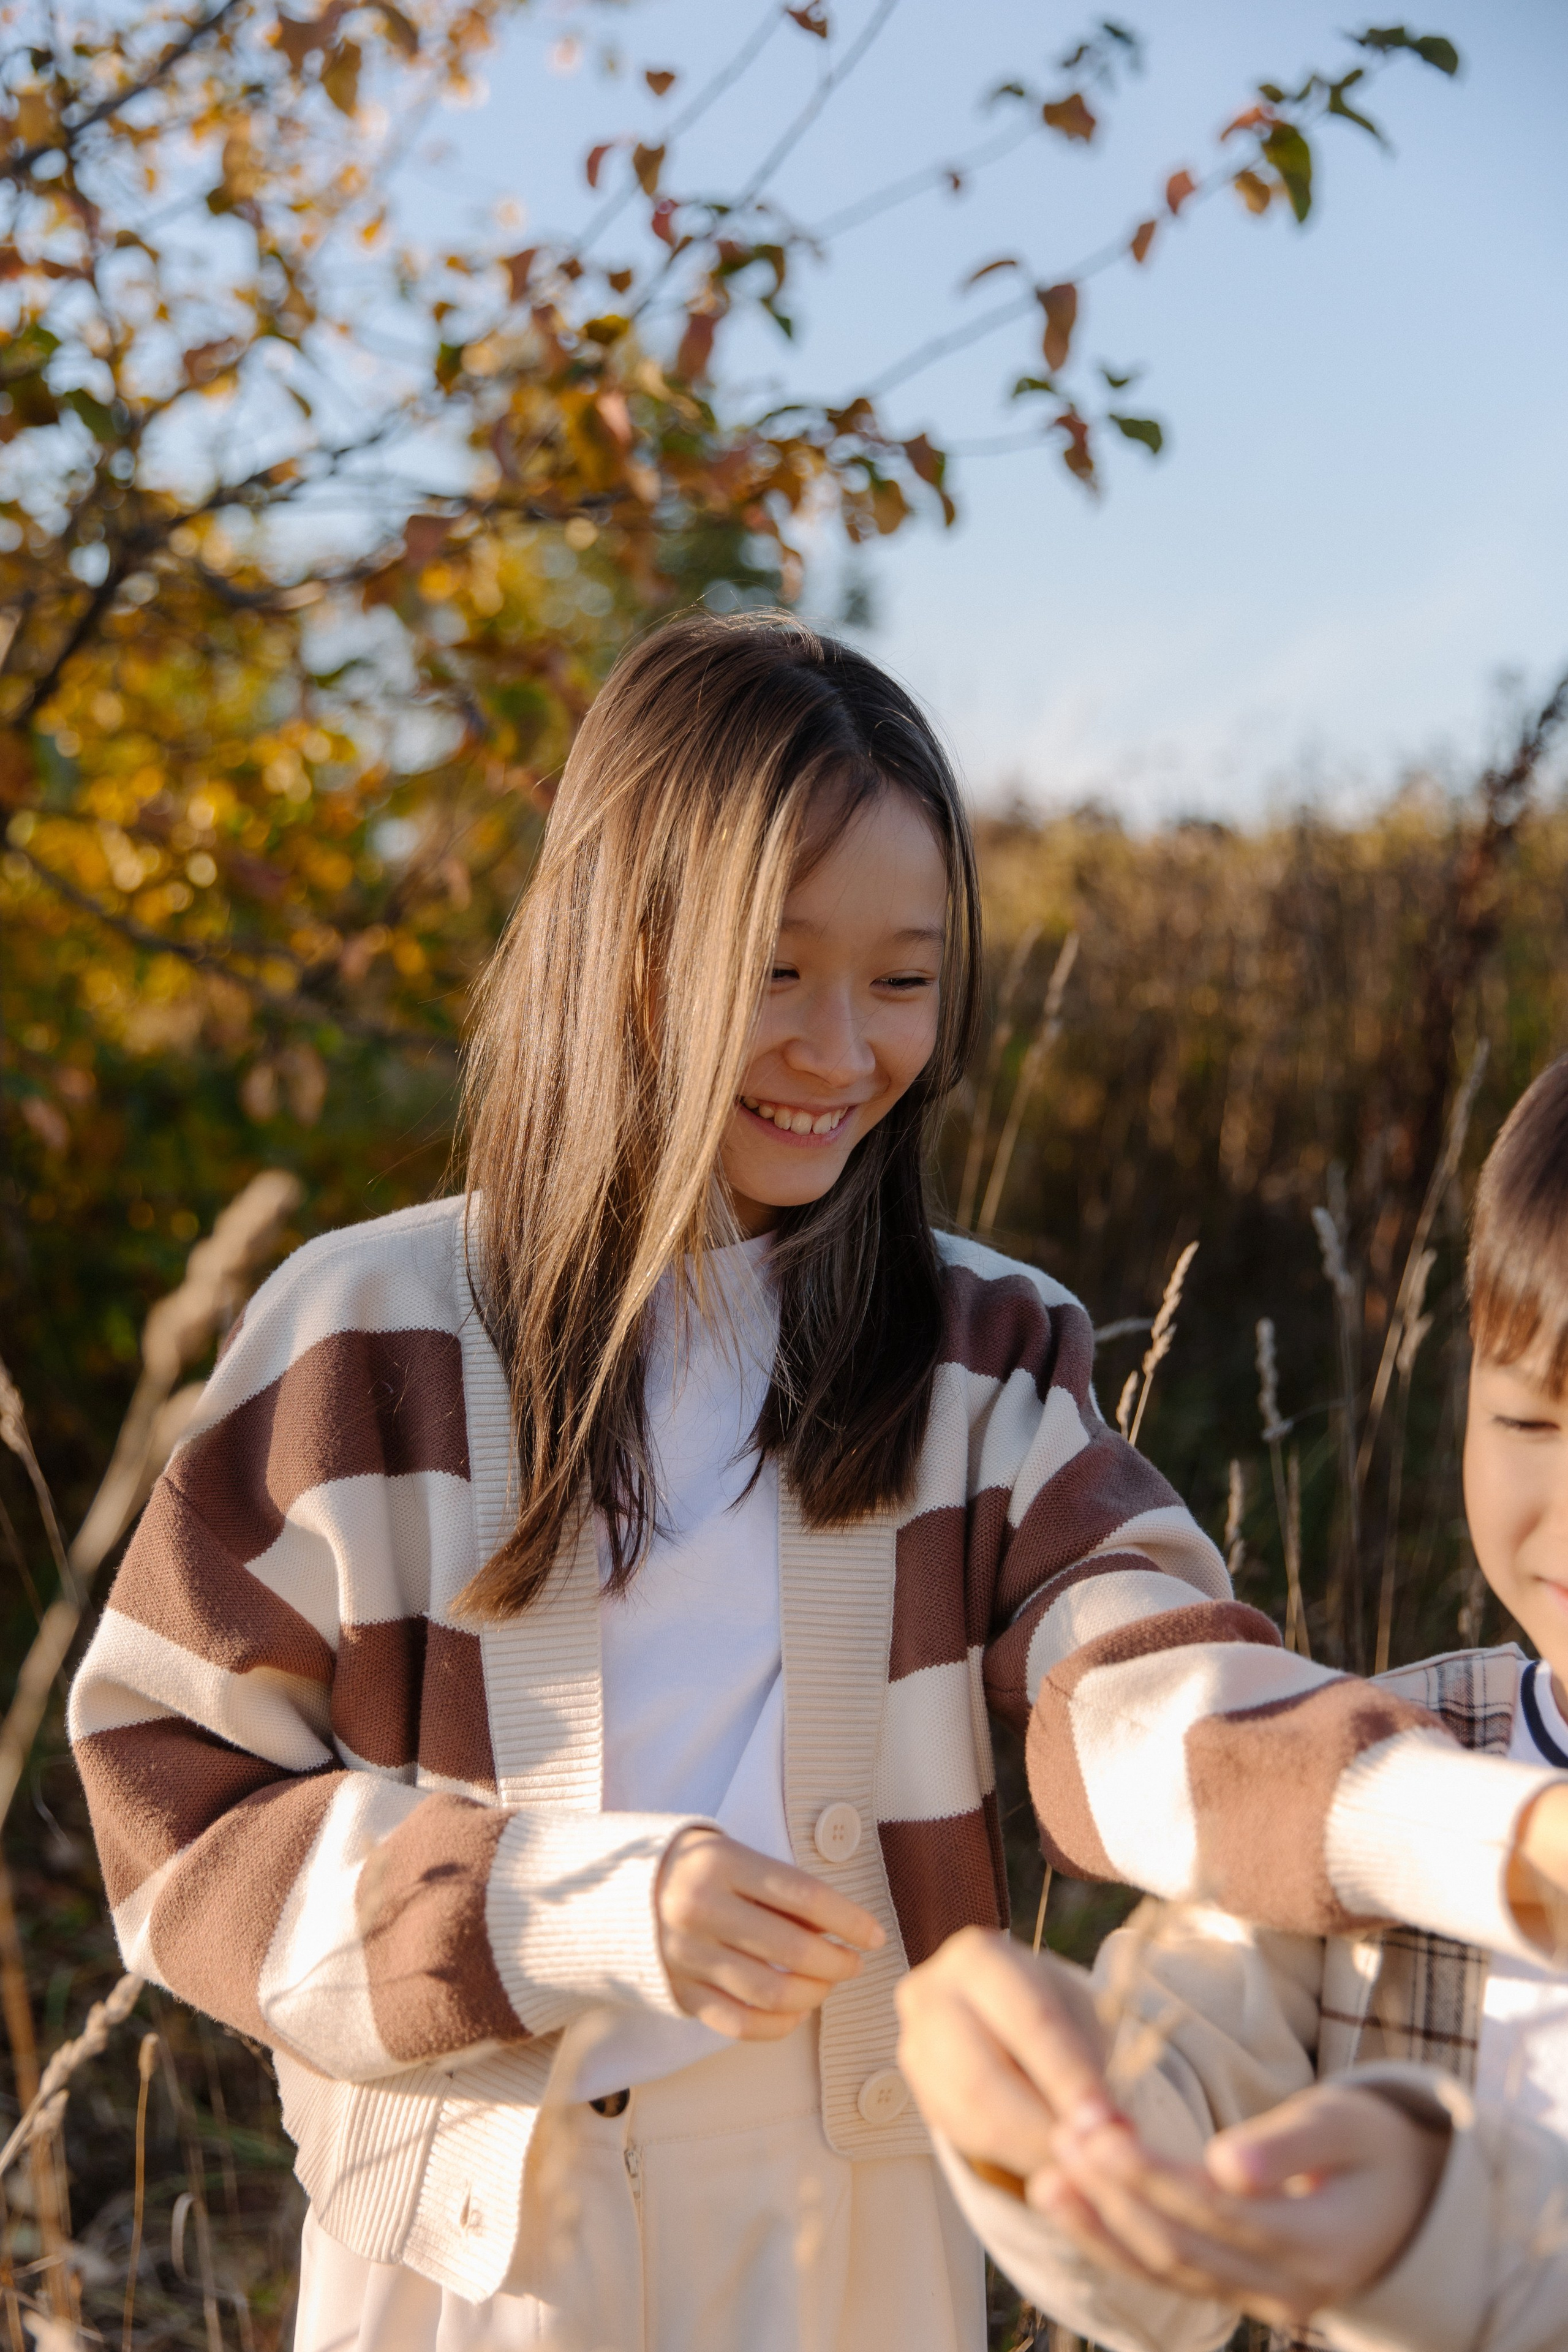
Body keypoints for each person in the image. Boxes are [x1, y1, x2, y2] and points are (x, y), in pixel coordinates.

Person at [66, 613, 1568, 2352]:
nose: (842, 1049)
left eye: (905, 980)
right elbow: (170, 1804)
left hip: (851, 2215)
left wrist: (1500, 1838)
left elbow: (1152, 1699)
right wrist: (566, 1910)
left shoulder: (988, 1357)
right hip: (470, 2244)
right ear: (617, 944)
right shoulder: (367, 1335)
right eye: (775, 970)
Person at [896, 1050, 1568, 2352]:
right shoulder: (1378, 1777)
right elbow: (1172, 2201)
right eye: (1529, 1424)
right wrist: (1057, 2146)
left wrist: (1427, 2218)